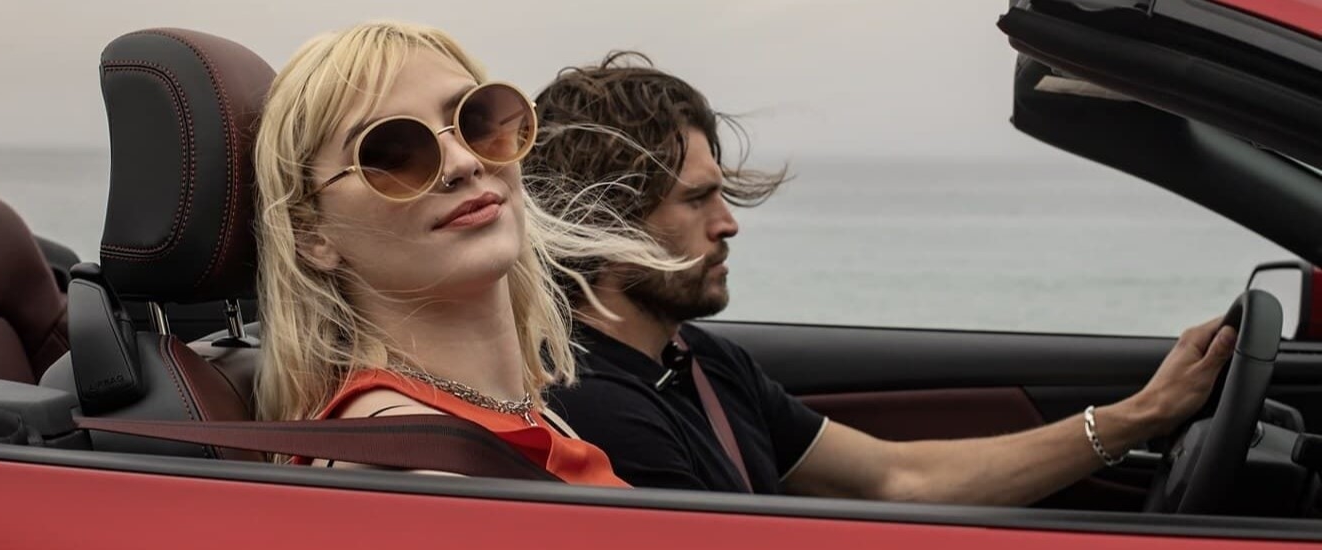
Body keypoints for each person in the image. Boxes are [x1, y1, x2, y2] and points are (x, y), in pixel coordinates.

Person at [524, 51, 1238, 503]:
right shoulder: (596, 408)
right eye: (697, 199)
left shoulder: (701, 365)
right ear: (608, 221)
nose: (729, 223)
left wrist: (1137, 416)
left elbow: (899, 478)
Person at [250, 23, 685, 486]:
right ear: (312, 233)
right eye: (394, 154)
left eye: (475, 121)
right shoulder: (415, 461)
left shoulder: (506, 416)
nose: (463, 163)